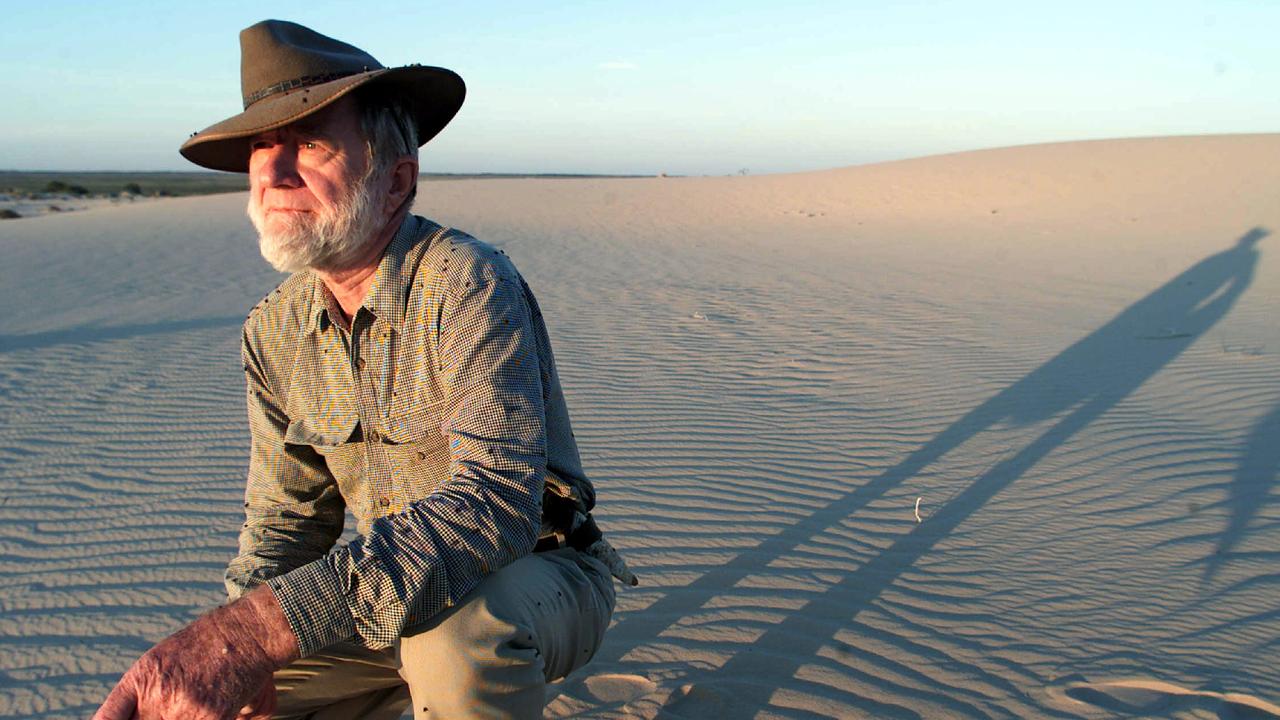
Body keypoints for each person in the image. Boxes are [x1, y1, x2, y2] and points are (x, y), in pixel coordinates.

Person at [93, 19, 633, 720]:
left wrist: (259, 628)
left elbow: (495, 504)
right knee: (217, 691)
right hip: (388, 590)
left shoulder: (466, 284)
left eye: (311, 142)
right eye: (263, 144)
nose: (275, 171)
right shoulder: (273, 330)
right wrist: (240, 646)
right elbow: (286, 521)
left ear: (395, 180)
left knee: (458, 642)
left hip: (539, 576)